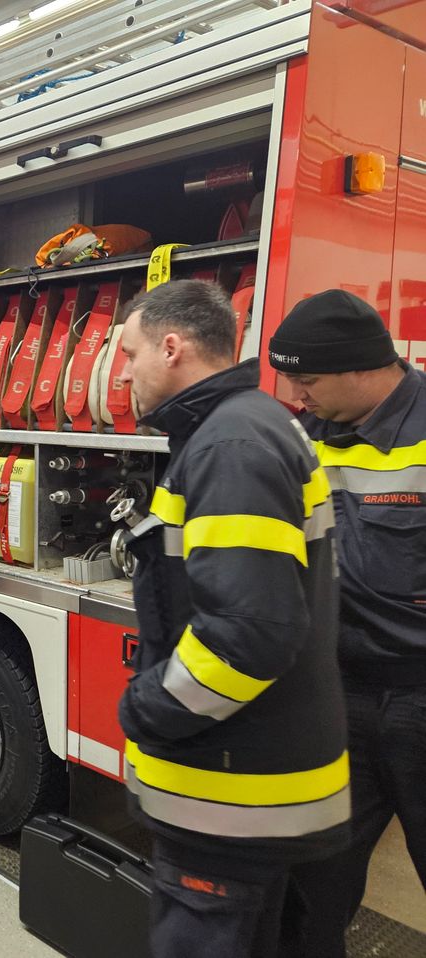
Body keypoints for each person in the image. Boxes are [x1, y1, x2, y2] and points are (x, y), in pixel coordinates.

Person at [114, 280, 349, 957]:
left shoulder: (231, 447)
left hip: (230, 802)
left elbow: (250, 634)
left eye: (129, 353)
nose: (123, 372)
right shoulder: (243, 426)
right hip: (254, 784)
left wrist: (145, 708)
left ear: (171, 346)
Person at [267, 290, 426, 957]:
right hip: (342, 699)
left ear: (362, 366)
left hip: (421, 701)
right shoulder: (310, 437)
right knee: (309, 887)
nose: (297, 396)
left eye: (307, 379)